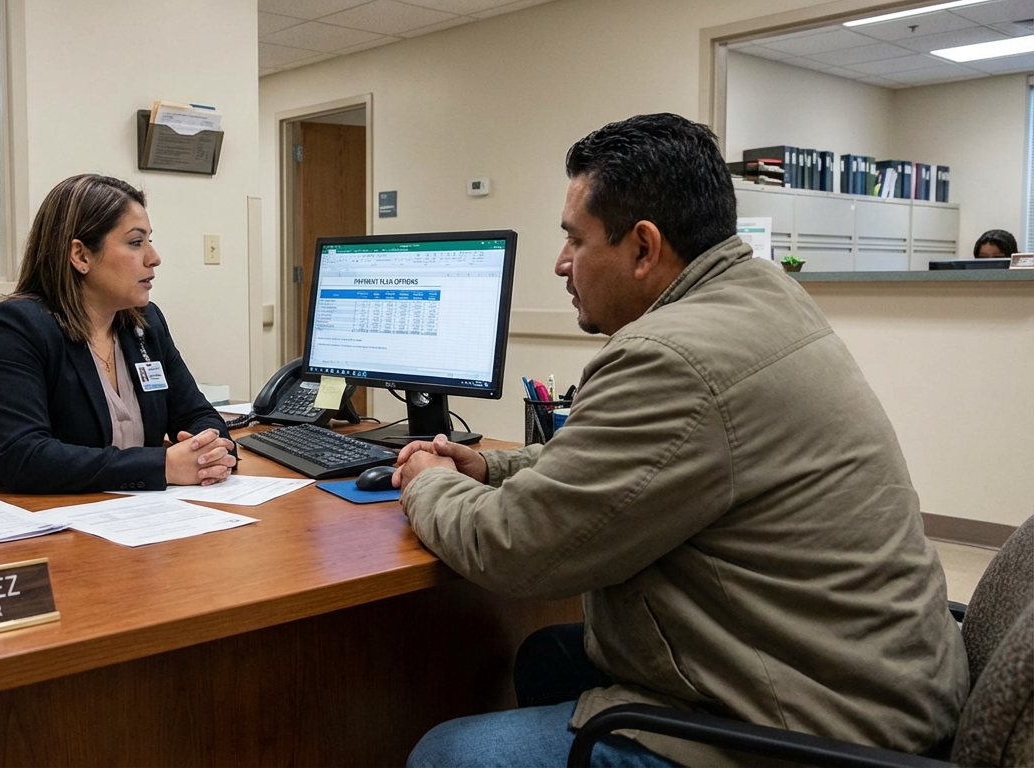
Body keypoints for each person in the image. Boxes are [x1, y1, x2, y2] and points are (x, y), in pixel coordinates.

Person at [394, 114, 967, 767]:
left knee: (448, 754)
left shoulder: (673, 356)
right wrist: (492, 467)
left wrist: (428, 481)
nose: (561, 263)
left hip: (822, 729)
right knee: (547, 658)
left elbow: (516, 550)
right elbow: (628, 461)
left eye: (573, 241)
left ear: (643, 247)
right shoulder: (760, 295)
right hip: (877, 677)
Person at [0, 174, 236, 494]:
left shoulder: (145, 324)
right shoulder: (15, 328)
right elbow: (24, 457)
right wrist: (163, 465)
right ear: (81, 256)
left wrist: (210, 451)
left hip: (131, 518)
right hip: (25, 524)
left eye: (150, 240)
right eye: (136, 242)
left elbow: (198, 415)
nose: (154, 257)